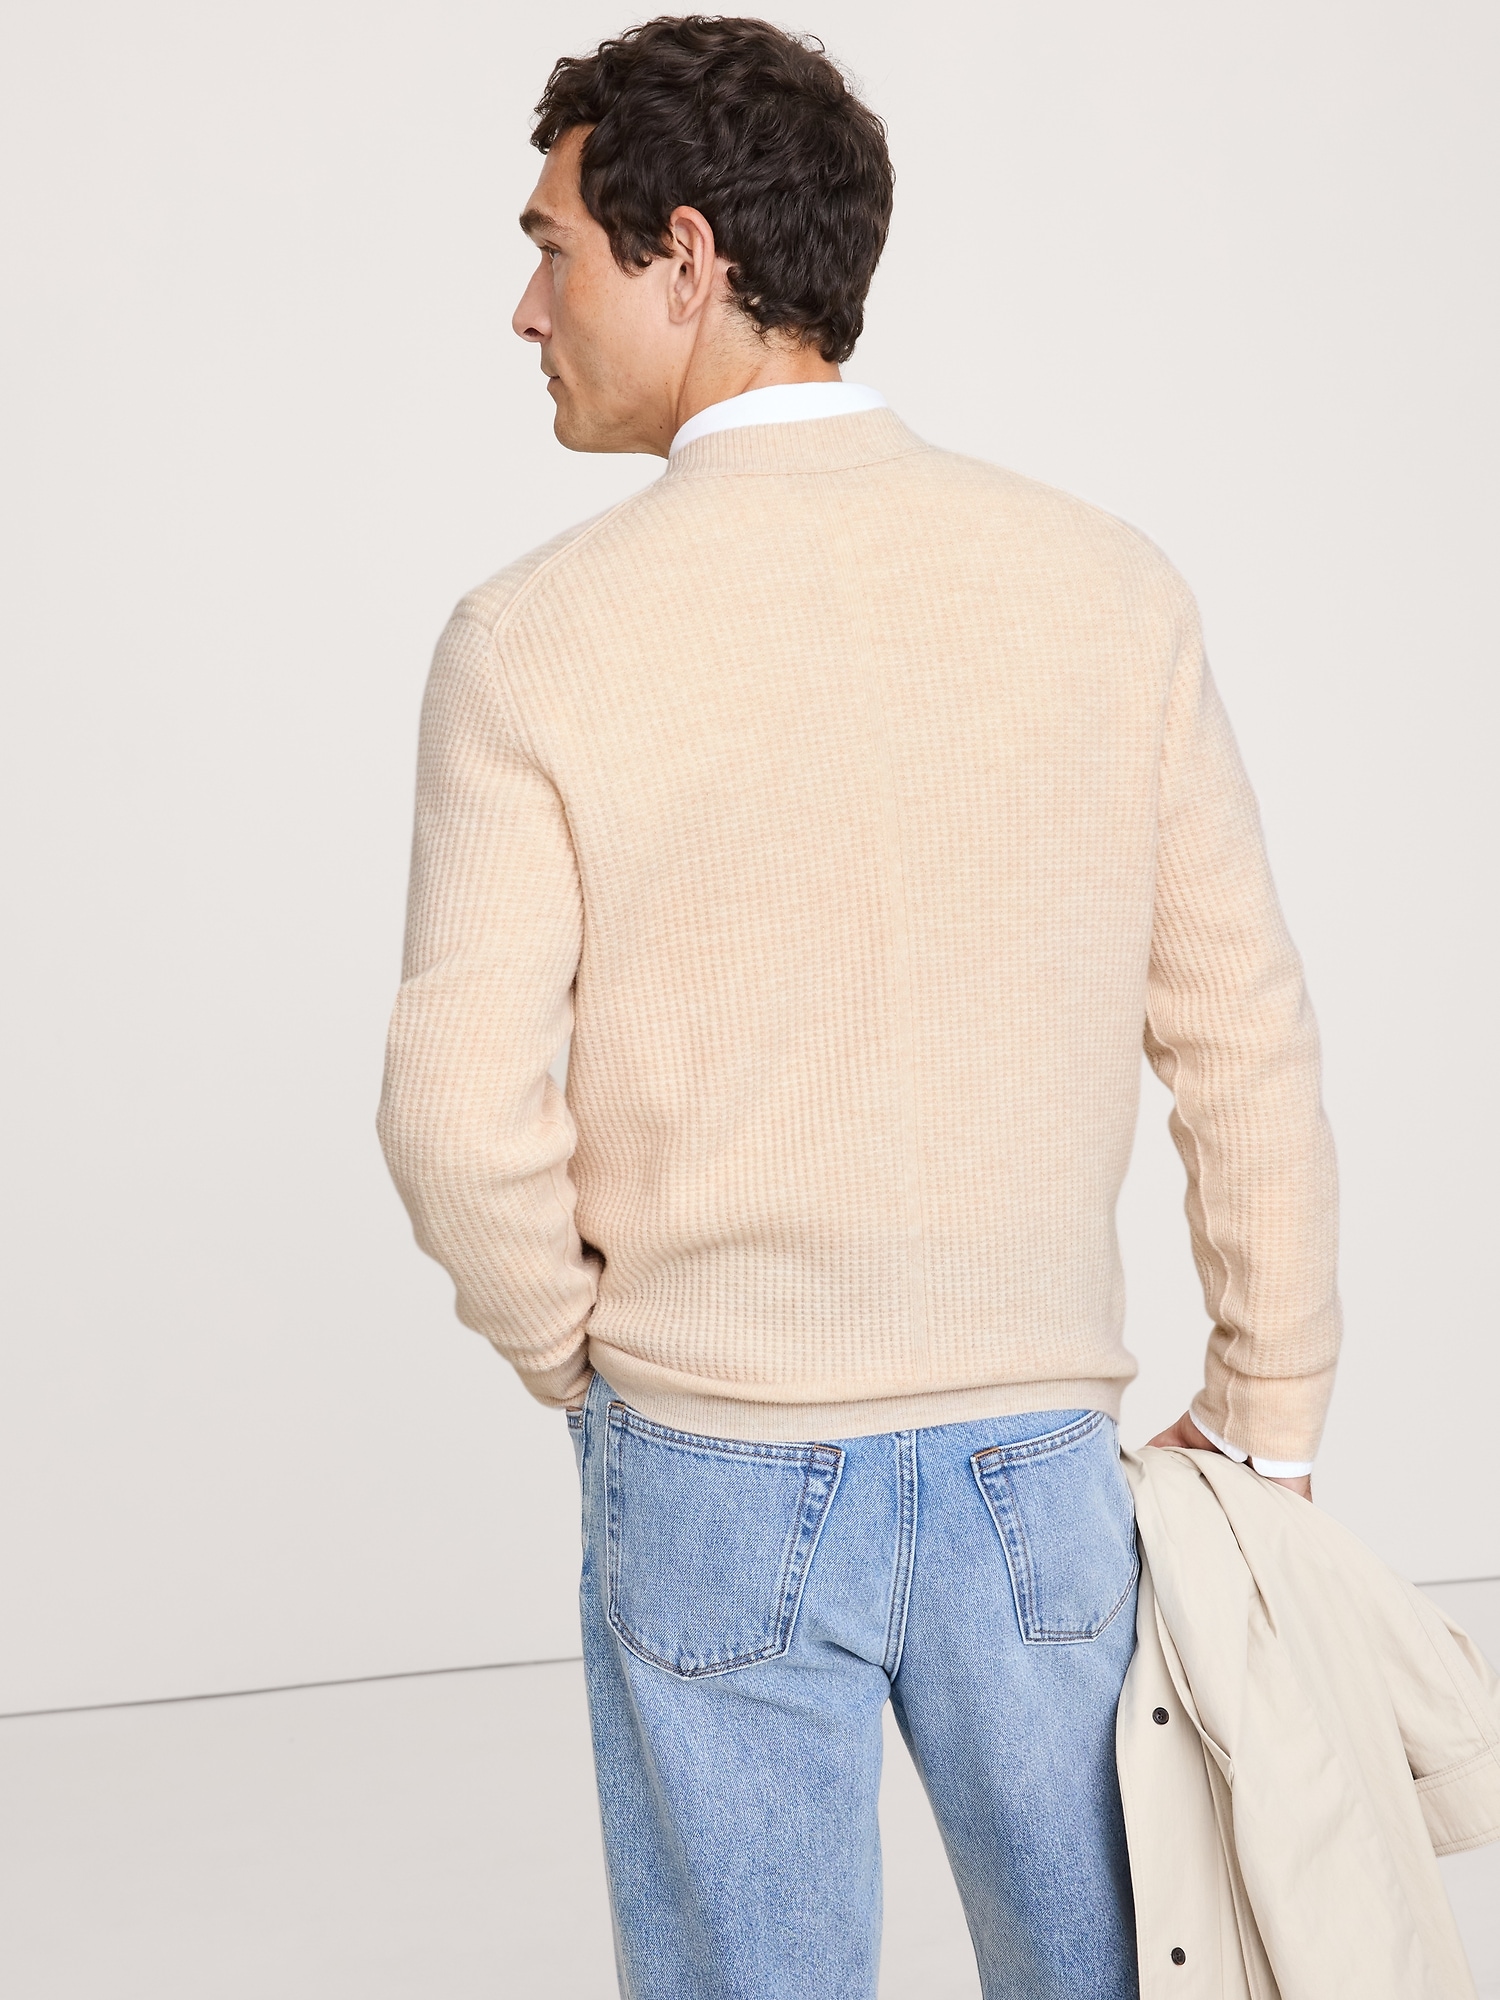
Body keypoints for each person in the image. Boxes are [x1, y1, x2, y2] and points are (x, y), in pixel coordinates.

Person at [377, 16, 1340, 1998]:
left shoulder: (535, 637)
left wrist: (589, 1360)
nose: (523, 309)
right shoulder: (1104, 586)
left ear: (687, 256)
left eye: (552, 249)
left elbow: (454, 1112)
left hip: (711, 1451)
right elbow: (1241, 1030)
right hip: (1037, 1464)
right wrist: (1268, 1416)